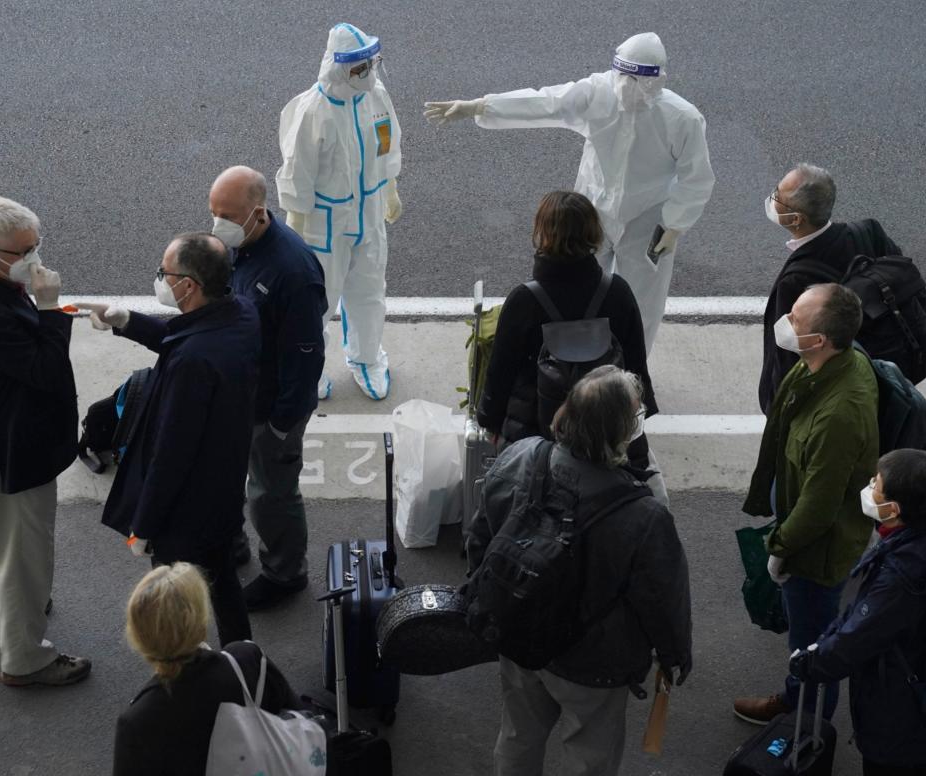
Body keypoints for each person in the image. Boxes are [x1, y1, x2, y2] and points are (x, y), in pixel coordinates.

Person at [425, 32, 715, 354]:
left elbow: (697, 177)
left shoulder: (682, 118)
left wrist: (674, 224)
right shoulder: (597, 93)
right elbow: (546, 102)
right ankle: (574, 363)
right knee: (577, 291)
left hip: (649, 221)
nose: (628, 88)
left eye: (639, 81)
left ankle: (632, 374)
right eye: (624, 78)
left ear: (658, 80)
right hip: (592, 214)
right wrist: (480, 106)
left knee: (641, 304)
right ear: (614, 72)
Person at [467, 365, 692, 776]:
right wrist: (675, 654)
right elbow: (662, 598)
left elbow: (479, 540)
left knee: (518, 735)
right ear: (620, 432)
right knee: (590, 757)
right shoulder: (643, 516)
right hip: (595, 664)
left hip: (519, 633)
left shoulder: (520, 457)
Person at [85, 233, 261, 646]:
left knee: (174, 604)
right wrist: (125, 320)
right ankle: (244, 659)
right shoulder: (241, 315)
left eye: (165, 273)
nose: (161, 278)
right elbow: (183, 335)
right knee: (223, 582)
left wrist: (142, 527)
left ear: (189, 286)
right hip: (225, 486)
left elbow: (171, 453)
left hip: (185, 512)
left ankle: (183, 677)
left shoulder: (191, 363)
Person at [0, 196, 91, 687]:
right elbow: (47, 371)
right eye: (25, 251)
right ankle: (26, 658)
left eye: (37, 245)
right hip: (18, 450)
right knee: (24, 557)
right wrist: (51, 309)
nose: (36, 258)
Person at [735, 283, 878, 724]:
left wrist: (780, 548)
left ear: (818, 340)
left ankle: (807, 723)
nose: (786, 321)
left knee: (812, 643)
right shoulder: (826, 363)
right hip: (803, 523)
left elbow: (818, 508)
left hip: (814, 553)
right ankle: (801, 705)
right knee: (810, 634)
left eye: (795, 318)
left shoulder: (840, 414)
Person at [476, 190, 666, 501]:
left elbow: (500, 375)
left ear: (543, 234)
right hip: (606, 427)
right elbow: (636, 372)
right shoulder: (616, 292)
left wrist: (491, 423)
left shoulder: (524, 300)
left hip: (534, 430)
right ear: (593, 232)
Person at [788, 449, 926, 776]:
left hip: (896, 710)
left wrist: (810, 663)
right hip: (923, 702)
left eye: (876, 486)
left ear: (893, 510)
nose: (869, 488)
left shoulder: (900, 578)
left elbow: (858, 637)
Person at [208, 166, 327, 611]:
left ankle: (284, 571)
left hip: (272, 407)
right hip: (240, 396)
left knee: (271, 493)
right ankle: (233, 544)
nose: (216, 224)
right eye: (213, 212)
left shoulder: (292, 271)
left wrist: (282, 425)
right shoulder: (240, 245)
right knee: (229, 476)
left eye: (226, 215)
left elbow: (305, 356)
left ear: (258, 213)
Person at [276, 22, 402, 401]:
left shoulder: (375, 96)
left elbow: (388, 141)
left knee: (369, 290)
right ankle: (306, 368)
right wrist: (295, 226)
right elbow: (297, 172)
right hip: (323, 222)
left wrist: (390, 188)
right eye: (359, 67)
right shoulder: (314, 111)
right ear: (338, 66)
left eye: (371, 63)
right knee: (318, 300)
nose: (368, 73)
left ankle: (365, 358)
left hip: (369, 213)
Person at [113, 563, 301, 776]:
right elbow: (297, 716)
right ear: (200, 620)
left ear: (139, 637)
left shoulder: (137, 720)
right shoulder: (244, 661)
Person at [758, 163, 900, 413]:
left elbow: (784, 357)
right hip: (880, 374)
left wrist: (775, 406)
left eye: (778, 195)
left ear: (796, 219)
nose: (772, 198)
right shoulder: (870, 232)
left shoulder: (795, 282)